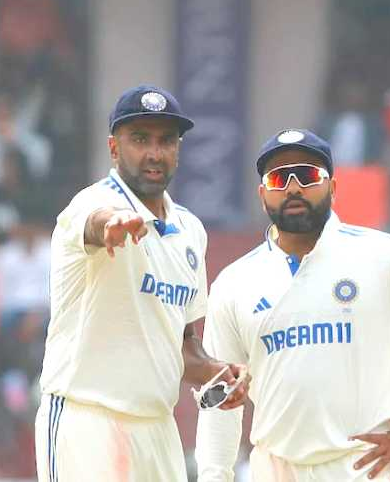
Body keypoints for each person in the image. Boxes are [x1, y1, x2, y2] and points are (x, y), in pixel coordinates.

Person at [195, 129, 390, 481]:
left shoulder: (385, 256)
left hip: (365, 467)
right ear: (263, 195)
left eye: (308, 176)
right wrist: (214, 476)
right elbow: (222, 398)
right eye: (279, 179)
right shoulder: (235, 282)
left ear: (333, 189)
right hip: (275, 469)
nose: (294, 188)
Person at [35, 85, 248, 481]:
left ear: (178, 150)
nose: (154, 153)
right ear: (114, 148)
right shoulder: (91, 202)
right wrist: (113, 226)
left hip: (157, 428)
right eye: (139, 139)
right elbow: (97, 221)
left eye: (166, 140)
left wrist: (219, 373)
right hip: (89, 420)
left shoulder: (190, 230)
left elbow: (182, 347)